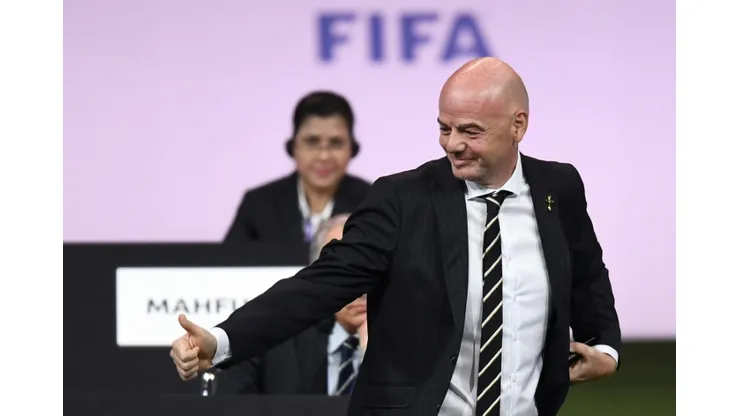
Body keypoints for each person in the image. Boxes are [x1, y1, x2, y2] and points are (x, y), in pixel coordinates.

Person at [171, 57, 621, 416]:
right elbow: (321, 283)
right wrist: (223, 340)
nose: (452, 144)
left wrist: (603, 344)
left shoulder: (558, 188)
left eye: (470, 131)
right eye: (444, 127)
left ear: (518, 125)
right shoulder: (402, 199)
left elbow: (586, 272)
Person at [216, 214, 368, 395]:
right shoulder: (275, 339)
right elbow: (231, 402)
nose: (360, 291)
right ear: (318, 277)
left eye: (367, 269)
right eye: (343, 272)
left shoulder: (398, 344)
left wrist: (371, 356)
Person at [223, 91, 372, 254]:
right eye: (312, 142)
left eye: (336, 143)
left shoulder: (373, 203)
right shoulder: (258, 204)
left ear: (352, 148)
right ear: (293, 146)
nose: (324, 155)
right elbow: (229, 263)